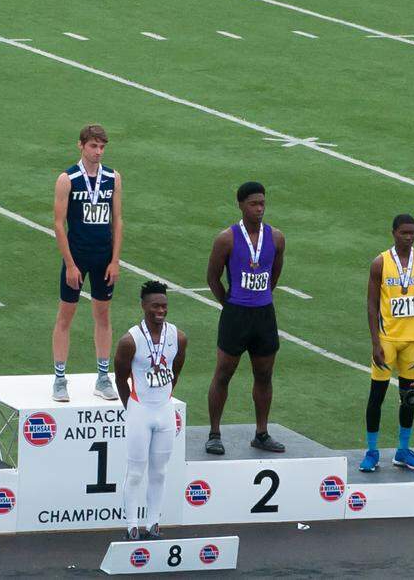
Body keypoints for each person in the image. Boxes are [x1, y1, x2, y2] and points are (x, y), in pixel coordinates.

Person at [205, 181, 286, 454]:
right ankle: (215, 433)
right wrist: (228, 304)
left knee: (264, 374)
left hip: (264, 314)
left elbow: (275, 272)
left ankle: (261, 433)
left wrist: (262, 295)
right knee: (223, 374)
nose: (259, 209)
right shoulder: (226, 238)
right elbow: (212, 277)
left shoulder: (276, 237)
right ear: (240, 205)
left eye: (262, 203)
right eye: (253, 204)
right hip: (236, 314)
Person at [52, 124, 123, 402]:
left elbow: (117, 221)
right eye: (93, 146)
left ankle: (103, 376)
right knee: (66, 315)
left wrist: (115, 260)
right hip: (77, 255)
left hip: (103, 256)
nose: (98, 152)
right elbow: (59, 224)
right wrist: (69, 264)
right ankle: (59, 378)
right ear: (81, 145)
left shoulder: (112, 178)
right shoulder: (67, 179)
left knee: (103, 315)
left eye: (102, 147)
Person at [114, 281, 187, 541]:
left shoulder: (177, 337)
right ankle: (132, 524)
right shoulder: (129, 341)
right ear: (144, 306)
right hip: (140, 411)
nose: (161, 310)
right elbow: (121, 379)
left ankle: (153, 522)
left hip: (164, 410)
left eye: (164, 306)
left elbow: (175, 371)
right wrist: (133, 408)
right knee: (135, 472)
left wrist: (164, 396)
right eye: (155, 305)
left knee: (160, 470)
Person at [360, 214, 414, 472]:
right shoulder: (380, 263)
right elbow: (371, 304)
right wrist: (375, 342)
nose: (409, 237)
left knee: (408, 397)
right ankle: (371, 451)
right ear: (393, 233)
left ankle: (403, 450)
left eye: (412, 233)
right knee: (376, 396)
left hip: (412, 341)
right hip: (387, 340)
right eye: (404, 233)